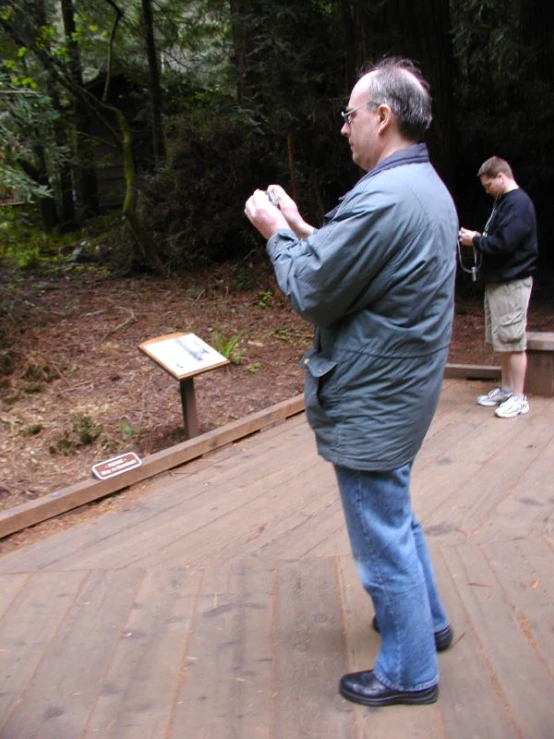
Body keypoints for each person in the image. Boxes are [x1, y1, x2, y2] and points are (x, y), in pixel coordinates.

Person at [244, 57, 457, 708]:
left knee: (379, 535)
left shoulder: (384, 196)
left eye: (350, 115)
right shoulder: (422, 186)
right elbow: (356, 258)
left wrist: (275, 234)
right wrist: (306, 227)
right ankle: (431, 622)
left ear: (382, 116)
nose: (344, 128)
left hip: (374, 397)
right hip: (404, 390)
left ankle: (408, 668)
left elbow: (313, 288)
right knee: (396, 514)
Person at [459, 157, 538, 418]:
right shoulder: (503, 202)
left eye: (488, 184)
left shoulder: (519, 205)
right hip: (498, 282)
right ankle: (506, 389)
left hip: (512, 282)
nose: (487, 190)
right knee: (502, 339)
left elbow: (504, 243)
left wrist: (477, 240)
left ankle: (519, 397)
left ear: (502, 176)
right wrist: (477, 238)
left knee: (514, 341)